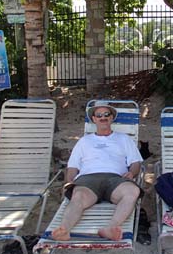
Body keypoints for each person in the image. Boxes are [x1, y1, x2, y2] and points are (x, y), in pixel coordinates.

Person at [51, 102, 143, 241]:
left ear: (112, 118)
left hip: (116, 179)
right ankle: (64, 229)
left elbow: (135, 163)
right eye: (99, 115)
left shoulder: (124, 139)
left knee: (132, 191)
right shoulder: (84, 141)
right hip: (89, 179)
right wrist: (69, 182)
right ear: (94, 119)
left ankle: (111, 228)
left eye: (107, 114)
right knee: (78, 195)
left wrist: (132, 173)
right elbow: (73, 166)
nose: (103, 117)